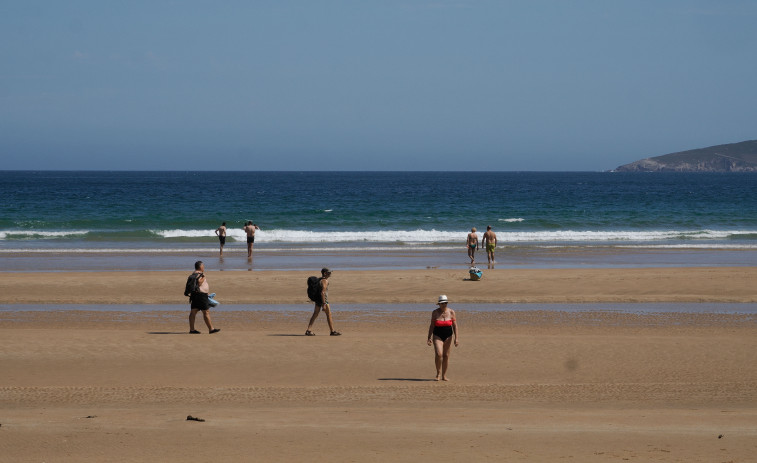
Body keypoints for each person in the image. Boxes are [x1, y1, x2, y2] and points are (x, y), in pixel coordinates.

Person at [427, 295, 459, 381]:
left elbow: (455, 326)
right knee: (439, 354)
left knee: (446, 355)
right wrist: (429, 337)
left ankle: (444, 376)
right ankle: (438, 374)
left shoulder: (451, 312)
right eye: (442, 303)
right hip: (437, 335)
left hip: (448, 336)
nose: (443, 305)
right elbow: (432, 326)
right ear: (439, 304)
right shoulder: (435, 312)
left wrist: (456, 338)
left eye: (445, 303)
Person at [305, 268, 341, 336]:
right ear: (325, 273)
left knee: (315, 314)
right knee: (329, 315)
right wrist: (324, 304)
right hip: (323, 300)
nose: (330, 274)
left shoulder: (320, 280)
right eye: (329, 272)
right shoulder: (325, 281)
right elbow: (322, 292)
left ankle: (308, 330)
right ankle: (332, 331)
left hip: (318, 300)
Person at [188, 261, 220, 334]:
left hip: (195, 295)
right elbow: (199, 282)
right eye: (203, 266)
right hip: (201, 296)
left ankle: (192, 330)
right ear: (200, 267)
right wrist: (204, 277)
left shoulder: (193, 274)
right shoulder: (200, 274)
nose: (204, 267)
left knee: (193, 311)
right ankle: (211, 329)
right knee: (206, 312)